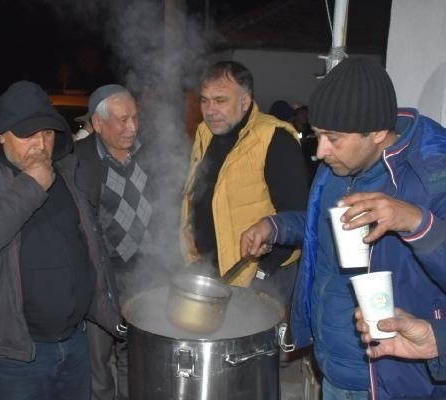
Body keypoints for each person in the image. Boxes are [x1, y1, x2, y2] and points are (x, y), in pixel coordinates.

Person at [240, 57, 446, 399]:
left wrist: (415, 222)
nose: (321, 152)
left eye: (333, 138)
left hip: (394, 383)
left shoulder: (433, 175)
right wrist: (276, 226)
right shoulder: (339, 167)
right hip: (334, 369)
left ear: (377, 132)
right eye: (318, 136)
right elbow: (322, 224)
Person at [0, 81, 120, 400]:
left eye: (48, 133)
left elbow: (89, 242)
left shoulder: (66, 170)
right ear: (1, 134)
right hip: (14, 354)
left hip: (75, 341)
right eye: (29, 134)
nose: (41, 145)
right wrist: (30, 186)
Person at [180, 61, 308, 304]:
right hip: (210, 271)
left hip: (259, 279)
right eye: (205, 100)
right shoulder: (204, 133)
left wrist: (262, 274)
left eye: (220, 100)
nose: (210, 110)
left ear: (245, 102)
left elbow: (298, 217)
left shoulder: (275, 139)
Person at [74, 84, 154, 400]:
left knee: (135, 356)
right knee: (97, 360)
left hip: (144, 274)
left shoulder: (149, 154)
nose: (132, 127)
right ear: (97, 123)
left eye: (135, 117)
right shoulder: (77, 161)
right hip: (99, 278)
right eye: (122, 120)